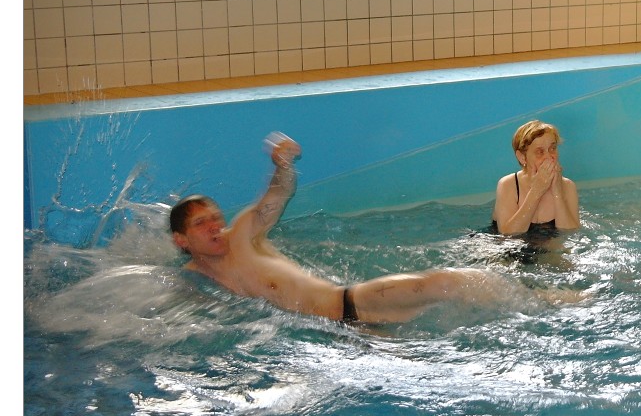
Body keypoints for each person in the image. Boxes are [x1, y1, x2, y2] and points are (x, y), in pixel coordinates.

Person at [170, 133, 539, 325]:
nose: (215, 226)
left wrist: (282, 166)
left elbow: (276, 197)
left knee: (443, 282)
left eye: (216, 217)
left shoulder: (243, 234)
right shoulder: (192, 281)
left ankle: (542, 301)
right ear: (181, 240)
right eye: (202, 224)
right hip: (345, 333)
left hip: (351, 302)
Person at [491, 120, 579, 236]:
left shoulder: (567, 186)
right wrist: (537, 190)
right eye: (540, 152)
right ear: (522, 157)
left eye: (552, 148)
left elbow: (570, 234)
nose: (549, 157)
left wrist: (557, 192)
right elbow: (508, 235)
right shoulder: (508, 184)